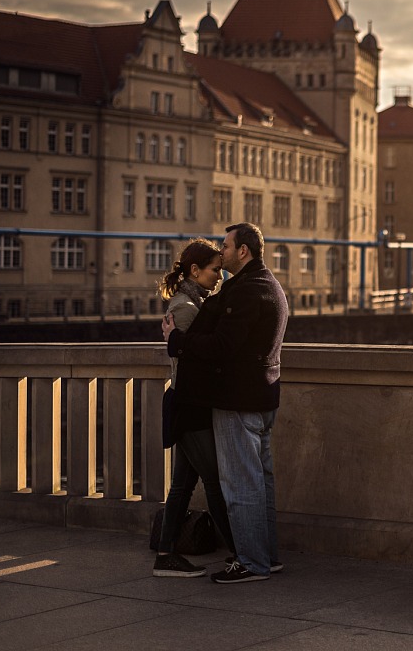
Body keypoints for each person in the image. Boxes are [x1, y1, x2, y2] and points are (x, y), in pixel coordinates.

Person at [163, 222, 288, 583]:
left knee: (241, 486)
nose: (223, 252)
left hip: (239, 401)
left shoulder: (245, 291)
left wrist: (178, 342)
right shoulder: (270, 286)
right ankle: (267, 557)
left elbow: (222, 346)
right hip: (264, 397)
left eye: (226, 246)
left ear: (243, 251)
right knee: (261, 483)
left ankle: (251, 563)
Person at [153, 239, 236, 577]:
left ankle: (166, 553)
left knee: (182, 486)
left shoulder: (192, 300)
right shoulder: (186, 306)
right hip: (190, 404)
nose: (219, 275)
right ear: (195, 271)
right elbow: (188, 360)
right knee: (213, 480)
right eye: (215, 270)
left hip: (188, 402)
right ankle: (240, 550)